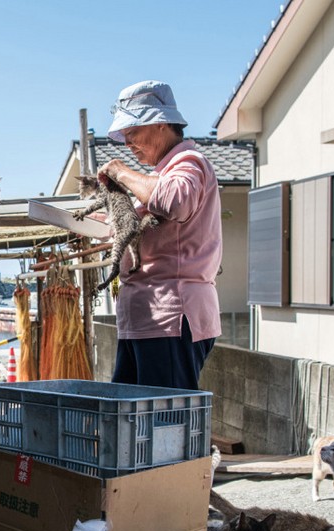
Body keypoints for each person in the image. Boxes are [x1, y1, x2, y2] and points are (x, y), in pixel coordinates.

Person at [99, 79, 222, 391]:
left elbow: (175, 201)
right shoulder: (158, 175)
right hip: (144, 319)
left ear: (161, 124)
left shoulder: (188, 162)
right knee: (129, 419)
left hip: (170, 316)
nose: (128, 144)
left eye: (133, 134)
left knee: (164, 423)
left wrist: (120, 172)